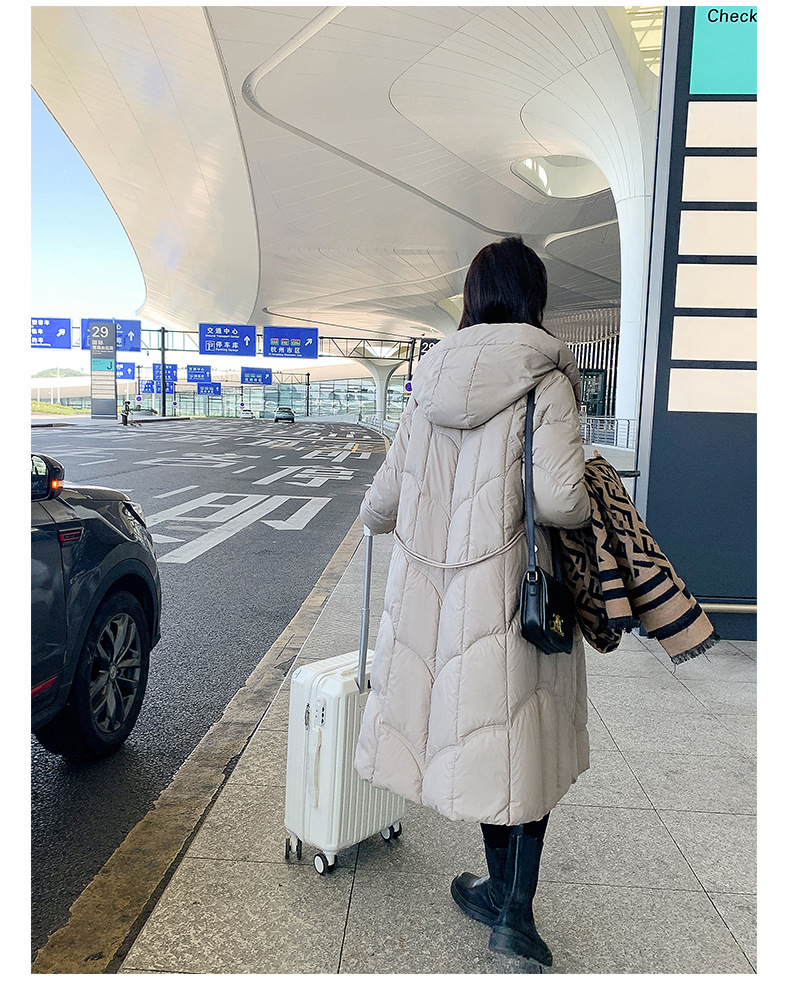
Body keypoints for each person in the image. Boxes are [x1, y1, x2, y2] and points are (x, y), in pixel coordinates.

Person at [354, 236, 591, 968]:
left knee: (485, 743)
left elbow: (381, 506)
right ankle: (514, 911)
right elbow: (563, 500)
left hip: (441, 601)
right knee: (528, 741)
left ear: (472, 297)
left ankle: (496, 891)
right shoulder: (547, 377)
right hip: (514, 593)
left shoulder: (426, 382)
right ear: (532, 297)